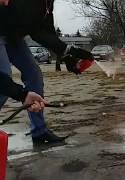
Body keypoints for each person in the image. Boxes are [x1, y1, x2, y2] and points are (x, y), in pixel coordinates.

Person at [0, 0, 94, 145]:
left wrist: (67, 54)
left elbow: (43, 33)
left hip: (13, 38)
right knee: (4, 77)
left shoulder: (47, 4)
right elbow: (30, 23)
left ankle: (39, 131)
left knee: (34, 74)